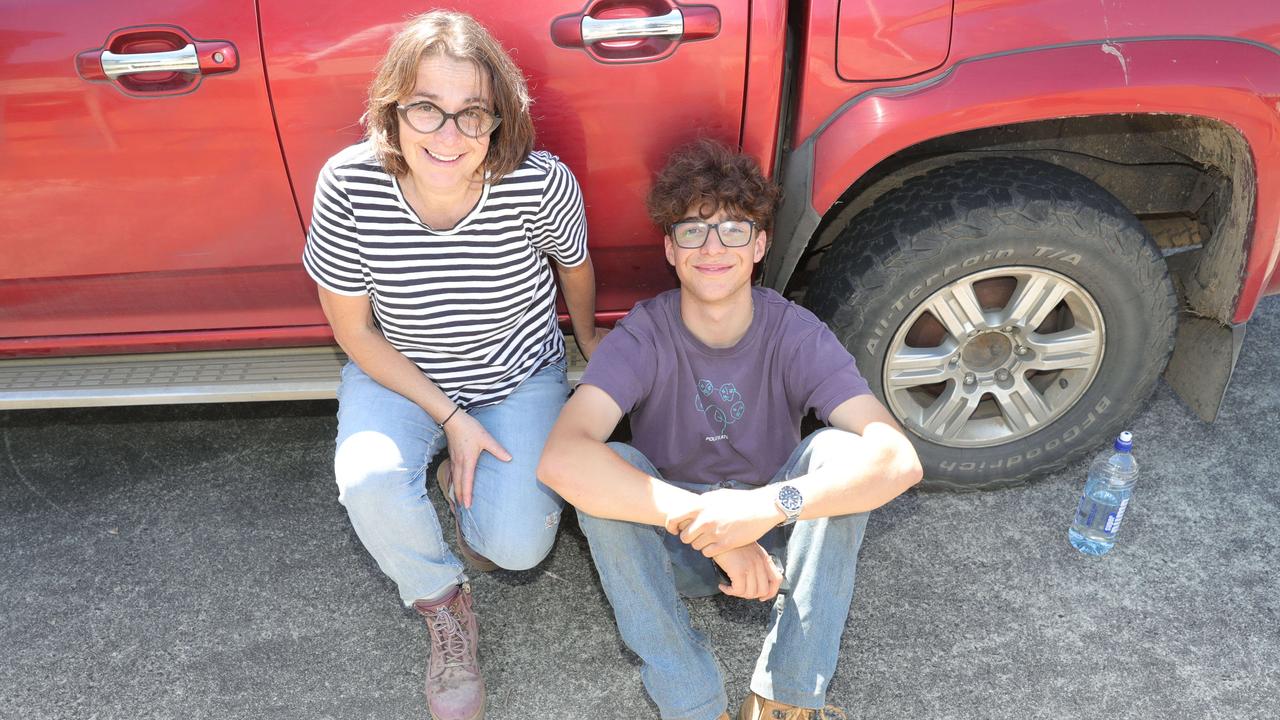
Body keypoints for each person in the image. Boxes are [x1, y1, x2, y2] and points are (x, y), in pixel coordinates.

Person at [538, 139, 922, 720]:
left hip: (776, 535)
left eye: (734, 229)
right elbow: (561, 459)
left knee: (841, 451)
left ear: (761, 244)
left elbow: (898, 458)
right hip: (673, 545)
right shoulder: (643, 334)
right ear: (671, 249)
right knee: (608, 468)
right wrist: (713, 526)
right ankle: (691, 703)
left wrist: (768, 507)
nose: (713, 247)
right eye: (693, 230)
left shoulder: (795, 332)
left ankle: (785, 700)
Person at [301, 11, 606, 720]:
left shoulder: (539, 183)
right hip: (400, 372)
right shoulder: (349, 186)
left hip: (515, 371)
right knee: (369, 480)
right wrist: (449, 416)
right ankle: (443, 606)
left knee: (519, 549)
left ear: (499, 120)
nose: (448, 135)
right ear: (392, 111)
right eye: (426, 110)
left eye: (472, 115)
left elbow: (575, 266)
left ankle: (459, 485)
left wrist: (587, 343)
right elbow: (354, 333)